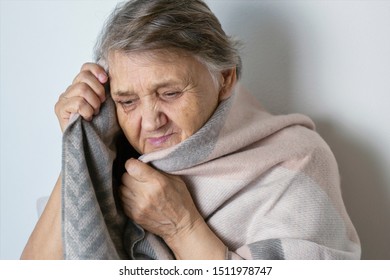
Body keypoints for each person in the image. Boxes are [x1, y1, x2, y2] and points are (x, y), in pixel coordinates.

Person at [21, 0, 360, 260]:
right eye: (127, 102)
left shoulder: (297, 160)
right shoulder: (116, 154)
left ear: (224, 78)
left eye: (169, 93)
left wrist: (183, 226)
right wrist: (82, 145)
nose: (151, 121)